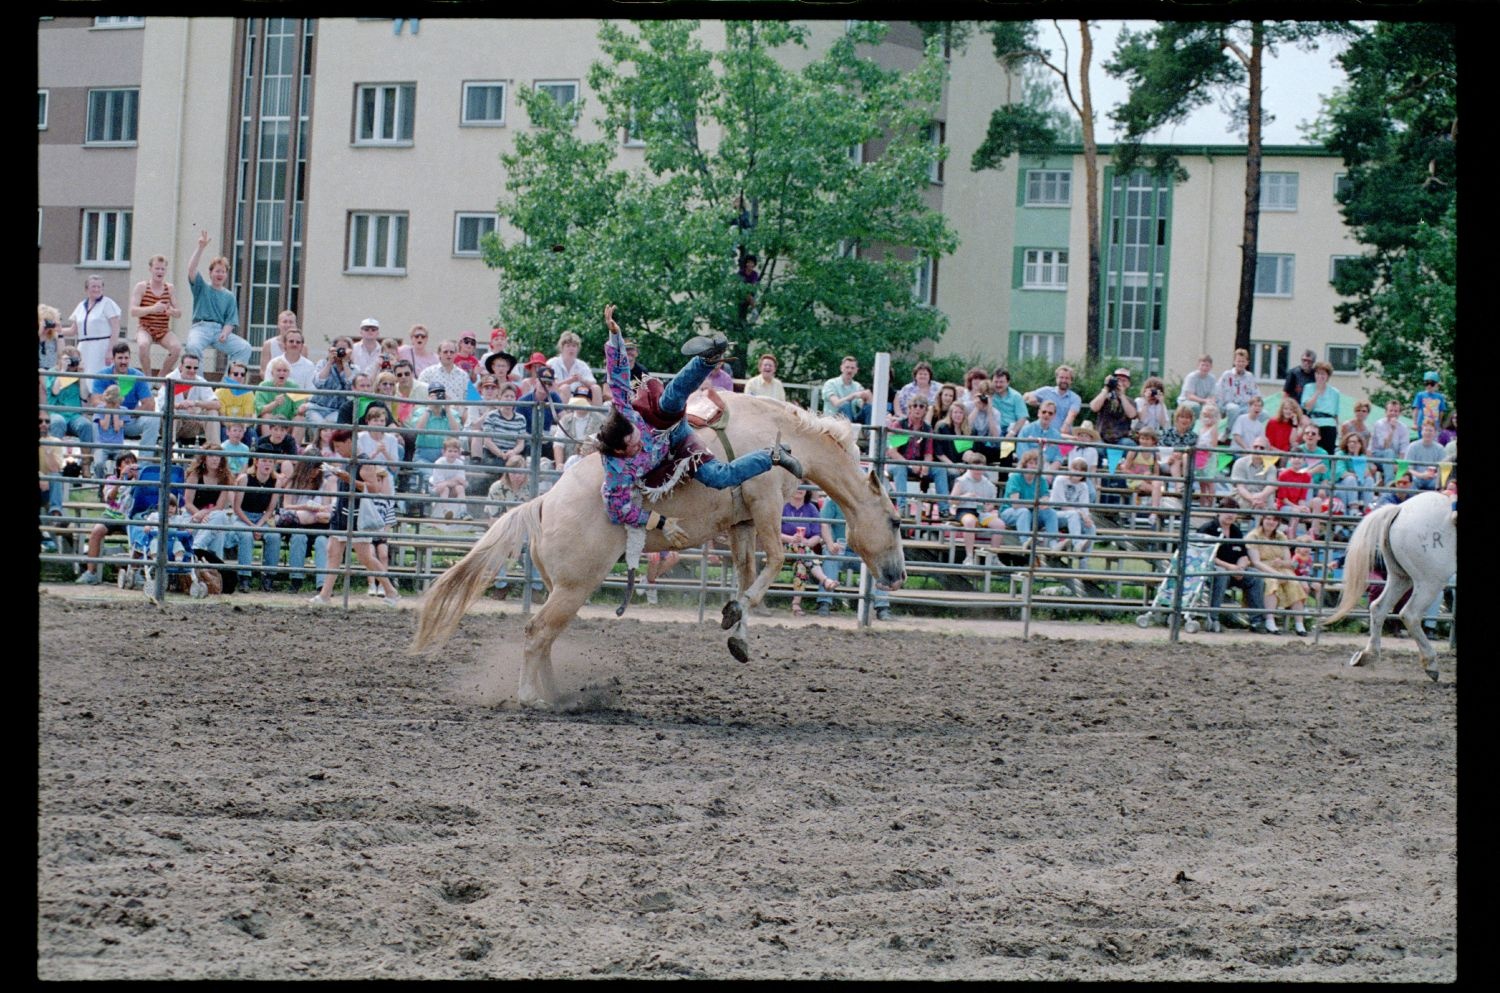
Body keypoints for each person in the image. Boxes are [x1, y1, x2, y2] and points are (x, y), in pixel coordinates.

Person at [593, 304, 804, 543]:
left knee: (671, 398)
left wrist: (614, 334)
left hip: (662, 422)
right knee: (719, 477)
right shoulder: (616, 473)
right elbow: (617, 510)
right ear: (620, 451)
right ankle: (773, 456)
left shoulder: (623, 410)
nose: (639, 442)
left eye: (635, 435)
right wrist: (661, 523)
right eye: (633, 445)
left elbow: (618, 371)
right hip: (676, 450)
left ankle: (707, 359)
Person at [308, 428, 402, 605]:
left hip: (357, 515)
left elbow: (373, 488)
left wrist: (346, 478)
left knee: (365, 557)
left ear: (349, 442)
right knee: (333, 552)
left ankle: (390, 590)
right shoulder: (348, 461)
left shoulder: (365, 462)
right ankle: (325, 595)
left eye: (339, 446)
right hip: (343, 512)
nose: (338, 450)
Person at [1198, 503, 1275, 634]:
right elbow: (1206, 556)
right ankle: (1213, 618)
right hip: (1213, 569)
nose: (1230, 515)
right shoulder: (1207, 529)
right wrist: (1230, 567)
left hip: (1234, 570)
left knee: (1255, 577)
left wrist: (1240, 568)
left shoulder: (1236, 530)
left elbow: (1243, 555)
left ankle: (1256, 621)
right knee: (1221, 575)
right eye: (1227, 511)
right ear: (1219, 512)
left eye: (1233, 512)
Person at [814, 494, 893, 621]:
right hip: (839, 548)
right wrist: (830, 544)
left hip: (860, 550)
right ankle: (824, 602)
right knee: (830, 556)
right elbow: (824, 524)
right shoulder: (833, 499)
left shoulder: (869, 501)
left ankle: (882, 606)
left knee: (876, 560)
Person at [183, 230, 254, 370]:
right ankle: (199, 385)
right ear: (210, 273)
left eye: (223, 271)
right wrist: (201, 247)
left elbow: (231, 320)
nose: (220, 274)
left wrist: (225, 333)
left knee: (244, 348)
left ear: (226, 275)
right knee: (193, 346)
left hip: (219, 330)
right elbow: (191, 269)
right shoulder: (201, 287)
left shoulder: (229, 296)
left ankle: (227, 386)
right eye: (217, 271)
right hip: (200, 327)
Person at [73, 451, 139, 585]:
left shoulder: (140, 480)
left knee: (138, 536)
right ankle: (90, 573)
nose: (130, 465)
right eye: (127, 463)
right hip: (111, 514)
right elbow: (110, 499)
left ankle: (135, 573)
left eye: (133, 462)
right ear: (119, 466)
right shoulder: (111, 479)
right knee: (96, 531)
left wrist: (137, 480)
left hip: (129, 516)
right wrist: (121, 479)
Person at [91, 342, 161, 459]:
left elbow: (149, 404)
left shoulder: (137, 375)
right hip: (107, 421)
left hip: (129, 420)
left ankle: (143, 464)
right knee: (94, 422)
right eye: (120, 358)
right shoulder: (102, 374)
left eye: (126, 358)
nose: (123, 361)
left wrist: (125, 414)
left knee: (154, 419)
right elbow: (95, 401)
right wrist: (113, 412)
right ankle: (96, 463)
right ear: (113, 359)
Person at [1244, 513, 1309, 635]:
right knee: (1271, 582)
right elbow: (1256, 562)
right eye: (1268, 518)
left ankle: (1299, 624)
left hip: (1281, 567)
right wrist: (1275, 574)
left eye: (1275, 520)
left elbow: (1289, 561)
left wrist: (1283, 564)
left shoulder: (1281, 536)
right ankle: (1270, 621)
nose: (1271, 522)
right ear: (1262, 519)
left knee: (1294, 583)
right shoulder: (1253, 536)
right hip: (1262, 568)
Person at [231, 450, 284, 591]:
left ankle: (268, 577)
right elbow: (236, 508)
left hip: (262, 517)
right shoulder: (244, 479)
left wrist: (259, 525)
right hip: (243, 517)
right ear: (256, 462)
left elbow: (270, 509)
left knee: (274, 536)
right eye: (264, 460)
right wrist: (252, 526)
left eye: (270, 461)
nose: (267, 464)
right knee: (246, 536)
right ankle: (244, 578)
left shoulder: (276, 482)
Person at [282, 448, 333, 592]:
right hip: (299, 523)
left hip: (319, 524)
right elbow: (286, 506)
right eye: (312, 469)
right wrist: (304, 507)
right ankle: (296, 580)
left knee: (322, 542)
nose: (315, 473)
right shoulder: (293, 482)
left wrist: (321, 509)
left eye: (317, 469)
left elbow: (328, 506)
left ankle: (322, 584)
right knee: (298, 538)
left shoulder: (325, 483)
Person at [885, 395, 942, 517]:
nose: (918, 409)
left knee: (940, 469)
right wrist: (910, 465)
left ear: (925, 410)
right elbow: (893, 452)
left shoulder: (927, 429)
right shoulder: (900, 425)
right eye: (914, 406)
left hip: (919, 464)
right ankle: (902, 507)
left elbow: (928, 453)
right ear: (909, 408)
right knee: (900, 469)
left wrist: (925, 465)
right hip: (899, 462)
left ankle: (944, 509)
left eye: (922, 406)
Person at [129, 254, 183, 376]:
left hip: (163, 329)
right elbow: (133, 311)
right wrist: (153, 308)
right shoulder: (142, 287)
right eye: (157, 268)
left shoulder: (169, 288)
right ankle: (148, 378)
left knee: (176, 348)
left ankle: (160, 378)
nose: (160, 271)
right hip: (145, 327)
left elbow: (179, 313)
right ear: (151, 269)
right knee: (143, 345)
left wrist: (172, 312)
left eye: (162, 269)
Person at [46, 347, 98, 472]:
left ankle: (86, 465)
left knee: (86, 425)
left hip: (74, 415)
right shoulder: (53, 372)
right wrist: (63, 370)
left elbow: (84, 397)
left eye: (76, 360)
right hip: (56, 412)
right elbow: (55, 390)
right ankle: (53, 464)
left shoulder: (77, 375)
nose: (73, 363)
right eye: (70, 360)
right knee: (58, 422)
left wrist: (82, 375)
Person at [999, 448, 1060, 552]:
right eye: (1031, 463)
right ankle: (1025, 542)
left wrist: (1042, 503)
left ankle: (1053, 543)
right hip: (1010, 512)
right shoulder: (1015, 477)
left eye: (1037, 463)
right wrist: (1036, 504)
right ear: (1025, 464)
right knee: (1023, 512)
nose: (1034, 466)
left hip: (1032, 513)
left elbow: (1045, 499)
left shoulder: (1041, 480)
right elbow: (1015, 504)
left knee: (1050, 512)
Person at [950, 451, 1006, 563]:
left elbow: (991, 504)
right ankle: (969, 556)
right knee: (970, 521)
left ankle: (994, 556)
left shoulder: (988, 484)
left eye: (980, 468)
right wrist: (965, 496)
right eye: (975, 468)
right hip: (964, 509)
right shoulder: (961, 481)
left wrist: (989, 507)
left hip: (980, 511)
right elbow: (952, 500)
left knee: (1000, 525)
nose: (978, 471)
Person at [64, 274, 123, 381]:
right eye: (93, 287)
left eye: (99, 287)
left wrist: (110, 350)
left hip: (101, 348)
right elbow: (73, 330)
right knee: (82, 378)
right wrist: (55, 330)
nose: (96, 289)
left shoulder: (107, 303)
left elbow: (116, 327)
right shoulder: (81, 306)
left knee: (99, 379)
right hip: (84, 348)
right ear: (86, 289)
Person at [156, 350, 222, 445]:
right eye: (189, 367)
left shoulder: (200, 381)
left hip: (192, 424)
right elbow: (162, 405)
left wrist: (195, 403)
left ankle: (215, 450)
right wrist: (180, 405)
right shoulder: (170, 379)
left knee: (212, 412)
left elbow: (217, 404)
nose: (192, 371)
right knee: (171, 411)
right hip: (172, 422)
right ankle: (168, 450)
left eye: (195, 368)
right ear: (181, 367)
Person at [780, 486, 824, 616]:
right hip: (782, 548)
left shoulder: (811, 508)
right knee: (801, 549)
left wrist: (808, 542)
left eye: (803, 485)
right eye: (796, 485)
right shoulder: (782, 506)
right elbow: (773, 531)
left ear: (807, 490)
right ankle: (823, 578)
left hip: (803, 552)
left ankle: (796, 604)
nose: (799, 488)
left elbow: (817, 534)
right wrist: (791, 539)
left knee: (801, 565)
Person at [1048, 456, 1098, 556]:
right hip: (1056, 514)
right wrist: (1080, 513)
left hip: (1074, 515)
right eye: (1075, 469)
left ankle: (1083, 562)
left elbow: (1084, 506)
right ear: (1070, 469)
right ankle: (1077, 544)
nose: (1077, 473)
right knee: (1073, 514)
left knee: (1091, 527)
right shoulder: (1060, 480)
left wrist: (1086, 518)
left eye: (1081, 470)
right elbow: (1062, 504)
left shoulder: (1083, 486)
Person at [306, 337, 356, 424]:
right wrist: (329, 362)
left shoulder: (354, 369)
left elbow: (351, 387)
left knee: (329, 425)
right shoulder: (322, 363)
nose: (341, 351)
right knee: (317, 423)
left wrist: (345, 363)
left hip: (338, 410)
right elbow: (318, 383)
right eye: (338, 348)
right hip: (317, 407)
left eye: (344, 349)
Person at [1299, 361, 1342, 454]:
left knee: (1328, 452)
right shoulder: (1308, 387)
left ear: (1328, 376)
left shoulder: (1335, 392)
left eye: (1323, 374)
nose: (1320, 376)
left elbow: (1335, 414)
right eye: (1317, 373)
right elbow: (1307, 407)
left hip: (1329, 425)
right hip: (1314, 423)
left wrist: (1338, 431)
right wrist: (1317, 391)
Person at [1023, 364, 1083, 432]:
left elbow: (1072, 415)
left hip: (1063, 434)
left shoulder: (1075, 398)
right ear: (1056, 379)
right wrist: (1031, 396)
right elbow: (1025, 396)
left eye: (1067, 378)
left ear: (1071, 381)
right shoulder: (1046, 391)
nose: (1064, 380)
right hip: (1043, 432)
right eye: (1061, 377)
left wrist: (1064, 427)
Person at [1119, 427, 1163, 518]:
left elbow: (1156, 473)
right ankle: (1155, 511)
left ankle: (1154, 511)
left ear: (1153, 441)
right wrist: (1140, 476)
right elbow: (1125, 469)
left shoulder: (1155, 453)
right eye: (1142, 438)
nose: (1144, 441)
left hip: (1147, 478)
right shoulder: (1134, 451)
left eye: (1147, 439)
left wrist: (1150, 476)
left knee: (1158, 483)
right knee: (1156, 489)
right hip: (1134, 479)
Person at [547, 330, 601, 404]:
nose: (571, 349)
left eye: (574, 346)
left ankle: (596, 415)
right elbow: (550, 386)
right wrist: (570, 380)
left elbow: (593, 383)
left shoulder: (582, 365)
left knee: (596, 388)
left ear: (578, 349)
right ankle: (565, 415)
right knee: (565, 387)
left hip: (579, 397)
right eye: (568, 346)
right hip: (558, 398)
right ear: (561, 348)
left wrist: (582, 380)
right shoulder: (552, 363)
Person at [1089, 367, 1138, 447]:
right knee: (1097, 448)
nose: (1120, 382)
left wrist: (1121, 395)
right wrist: (1106, 389)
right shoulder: (1103, 396)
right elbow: (1094, 408)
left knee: (1130, 445)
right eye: (1118, 379)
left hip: (1122, 438)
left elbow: (1132, 415)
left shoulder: (1130, 401)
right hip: (1102, 437)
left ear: (1128, 384)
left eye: (1124, 380)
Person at [214, 359, 257, 444]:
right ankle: (225, 457)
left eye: (242, 374)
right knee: (224, 432)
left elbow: (248, 417)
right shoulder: (220, 392)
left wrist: (241, 428)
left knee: (252, 434)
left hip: (243, 427)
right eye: (236, 374)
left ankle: (253, 457)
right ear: (229, 375)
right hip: (226, 427)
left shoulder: (248, 393)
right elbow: (222, 418)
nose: (239, 376)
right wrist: (233, 429)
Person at [1214, 348, 1259, 430]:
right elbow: (1218, 392)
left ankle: (1248, 433)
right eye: (1238, 361)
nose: (1240, 364)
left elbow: (1255, 394)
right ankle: (1228, 431)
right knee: (1234, 409)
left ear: (1247, 363)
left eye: (1243, 361)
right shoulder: (1227, 375)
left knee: (1263, 414)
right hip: (1230, 405)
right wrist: (1220, 409)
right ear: (1234, 362)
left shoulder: (1250, 377)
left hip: (1245, 406)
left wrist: (1255, 405)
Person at [1230, 438, 1280, 511]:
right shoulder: (1240, 463)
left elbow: (1271, 486)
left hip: (1263, 498)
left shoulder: (1271, 467)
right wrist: (1253, 500)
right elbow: (1240, 488)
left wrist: (1261, 497)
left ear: (1268, 451)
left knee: (1267, 501)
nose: (1258, 449)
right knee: (1258, 506)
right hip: (1243, 497)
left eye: (1261, 448)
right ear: (1251, 448)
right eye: (1255, 447)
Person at [820, 356, 873, 425]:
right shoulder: (830, 383)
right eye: (847, 367)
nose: (849, 370)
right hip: (833, 419)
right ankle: (849, 432)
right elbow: (836, 403)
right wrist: (852, 396)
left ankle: (871, 433)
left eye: (852, 368)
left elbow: (861, 405)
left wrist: (867, 398)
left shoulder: (857, 386)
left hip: (852, 419)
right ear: (841, 368)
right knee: (846, 405)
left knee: (868, 407)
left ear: (856, 370)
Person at [1332, 432, 1377, 512]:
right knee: (1350, 478)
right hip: (1341, 484)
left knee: (1369, 480)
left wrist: (1356, 456)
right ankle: (1354, 508)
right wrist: (1358, 475)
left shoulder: (1361, 456)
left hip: (1357, 484)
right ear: (1346, 443)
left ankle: (1367, 508)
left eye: (1355, 442)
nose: (1352, 444)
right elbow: (1342, 474)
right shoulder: (1340, 454)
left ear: (1360, 445)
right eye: (1350, 442)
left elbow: (1367, 474)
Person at [1015, 400, 1064, 472]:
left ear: (1054, 416)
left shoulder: (1056, 435)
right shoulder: (1026, 430)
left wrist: (1050, 473)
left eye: (1050, 413)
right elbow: (1022, 453)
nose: (1046, 415)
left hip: (1047, 467)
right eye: (1044, 412)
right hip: (1026, 465)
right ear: (1039, 413)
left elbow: (1059, 457)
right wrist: (1033, 466)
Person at [1368, 399, 1409, 484]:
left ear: (1399, 413)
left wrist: (1399, 465)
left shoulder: (1403, 428)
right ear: (1386, 412)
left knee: (1405, 465)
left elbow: (1403, 450)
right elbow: (1385, 446)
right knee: (1389, 452)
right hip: (1377, 455)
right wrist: (1392, 429)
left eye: (1396, 411)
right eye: (1391, 411)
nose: (1393, 413)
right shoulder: (1379, 424)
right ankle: (1389, 483)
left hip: (1393, 459)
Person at [428, 438, 470, 520]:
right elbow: (440, 485)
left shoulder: (460, 463)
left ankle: (463, 511)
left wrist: (450, 482)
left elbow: (462, 482)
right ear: (444, 452)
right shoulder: (439, 463)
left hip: (450, 488)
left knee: (460, 488)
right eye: (450, 451)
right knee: (445, 489)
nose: (452, 454)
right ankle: (445, 511)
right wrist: (455, 480)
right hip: (435, 489)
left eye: (455, 451)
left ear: (458, 453)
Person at [1402, 418, 1446, 491]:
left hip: (1433, 479)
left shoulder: (1440, 448)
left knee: (1442, 482)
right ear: (1421, 431)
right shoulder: (1413, 446)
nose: (1428, 433)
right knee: (1410, 481)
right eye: (1425, 430)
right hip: (1416, 477)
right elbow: (1408, 468)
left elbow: (1443, 468)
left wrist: (1433, 475)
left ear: (1435, 432)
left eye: (1430, 431)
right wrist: (1421, 475)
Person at [988, 368, 1030, 441]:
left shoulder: (1016, 396)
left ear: (1008, 382)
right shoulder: (989, 394)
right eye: (996, 382)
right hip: (992, 429)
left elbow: (1022, 417)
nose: (998, 385)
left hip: (1010, 429)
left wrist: (1012, 432)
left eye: (1001, 382)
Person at [38, 304, 63, 374]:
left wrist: (60, 332)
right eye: (46, 321)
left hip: (52, 370)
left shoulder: (54, 336)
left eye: (50, 321)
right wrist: (40, 333)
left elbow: (61, 353)